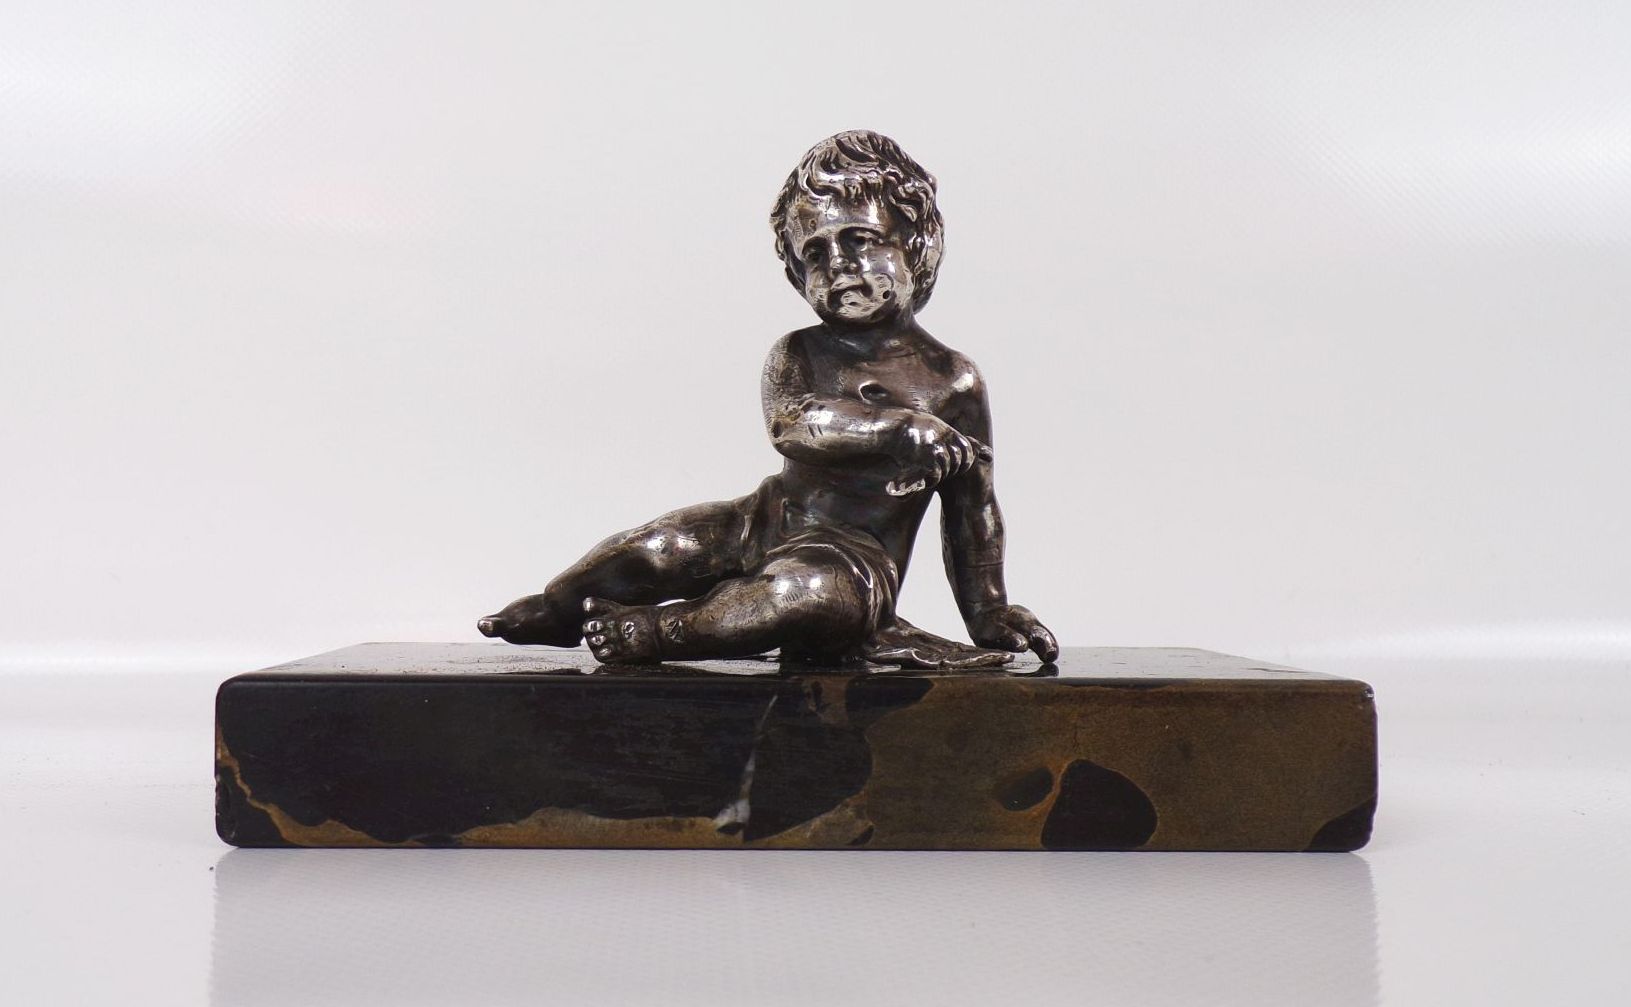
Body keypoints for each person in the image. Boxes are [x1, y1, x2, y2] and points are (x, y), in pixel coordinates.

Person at [478, 130, 1057, 668]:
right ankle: (560, 606)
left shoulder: (953, 382)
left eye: (859, 239)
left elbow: (973, 510)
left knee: (801, 593)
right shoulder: (800, 352)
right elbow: (792, 424)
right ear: (796, 274)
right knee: (660, 546)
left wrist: (988, 610)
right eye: (815, 252)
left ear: (917, 244)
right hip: (760, 521)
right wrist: (897, 429)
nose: (838, 265)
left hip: (853, 564)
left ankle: (661, 631)